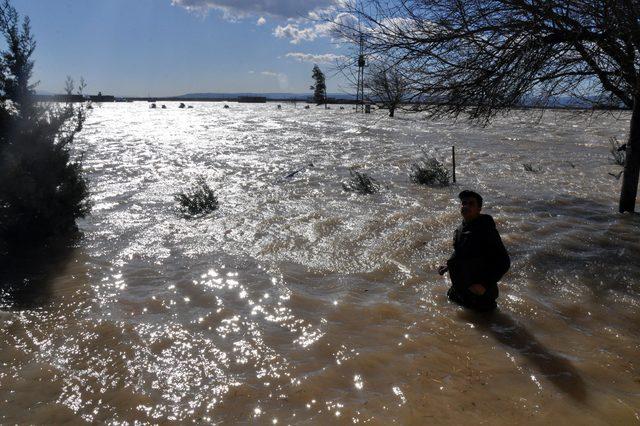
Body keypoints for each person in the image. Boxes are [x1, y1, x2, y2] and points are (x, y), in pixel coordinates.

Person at [438, 190, 510, 311]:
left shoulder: (485, 229)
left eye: (471, 204)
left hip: (479, 295)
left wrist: (484, 285)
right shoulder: (460, 229)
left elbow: (504, 261)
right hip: (459, 289)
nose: (466, 206)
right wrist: (448, 265)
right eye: (464, 203)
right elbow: (460, 251)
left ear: (479, 209)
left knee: (486, 326)